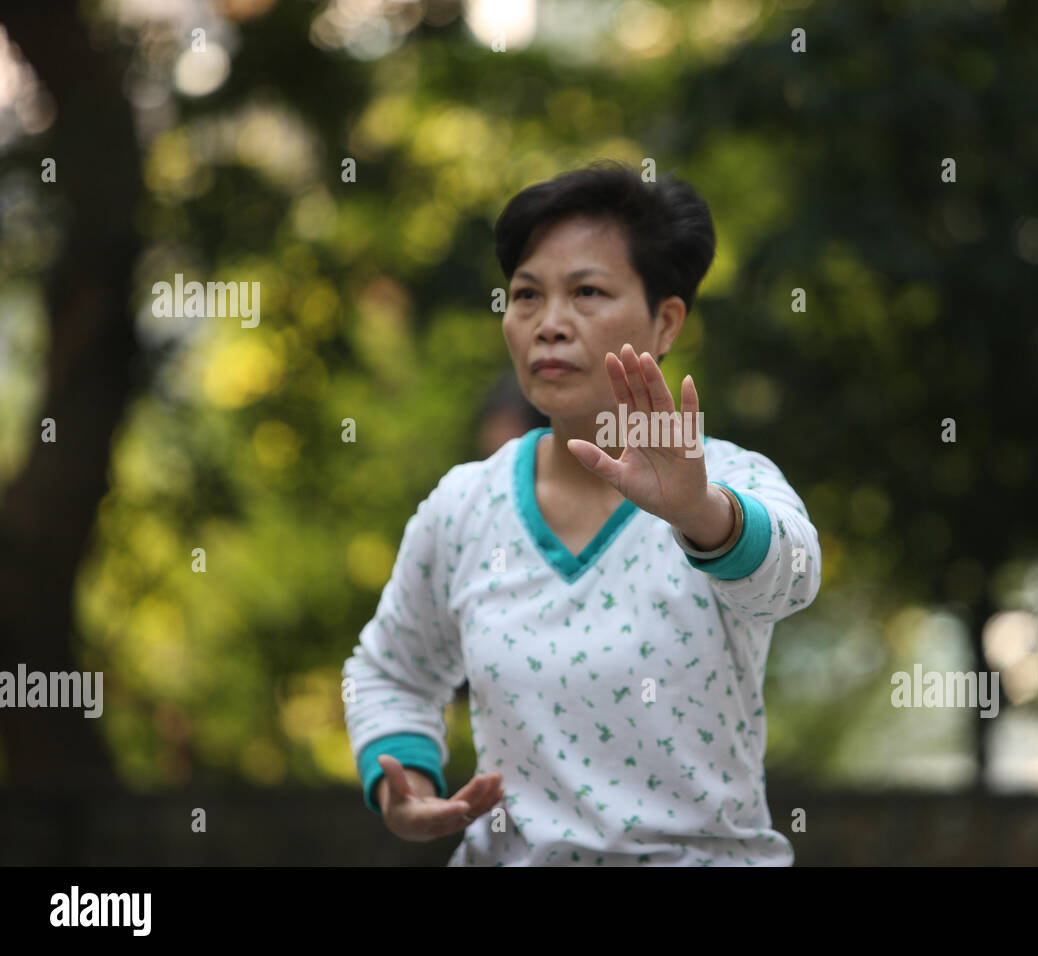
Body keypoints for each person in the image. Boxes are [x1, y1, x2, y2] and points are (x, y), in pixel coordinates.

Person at [342, 159, 821, 865]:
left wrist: (703, 515)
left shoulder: (731, 482)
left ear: (665, 322)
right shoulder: (464, 506)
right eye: (526, 295)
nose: (550, 324)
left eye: (588, 292)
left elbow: (793, 577)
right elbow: (391, 671)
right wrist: (405, 787)